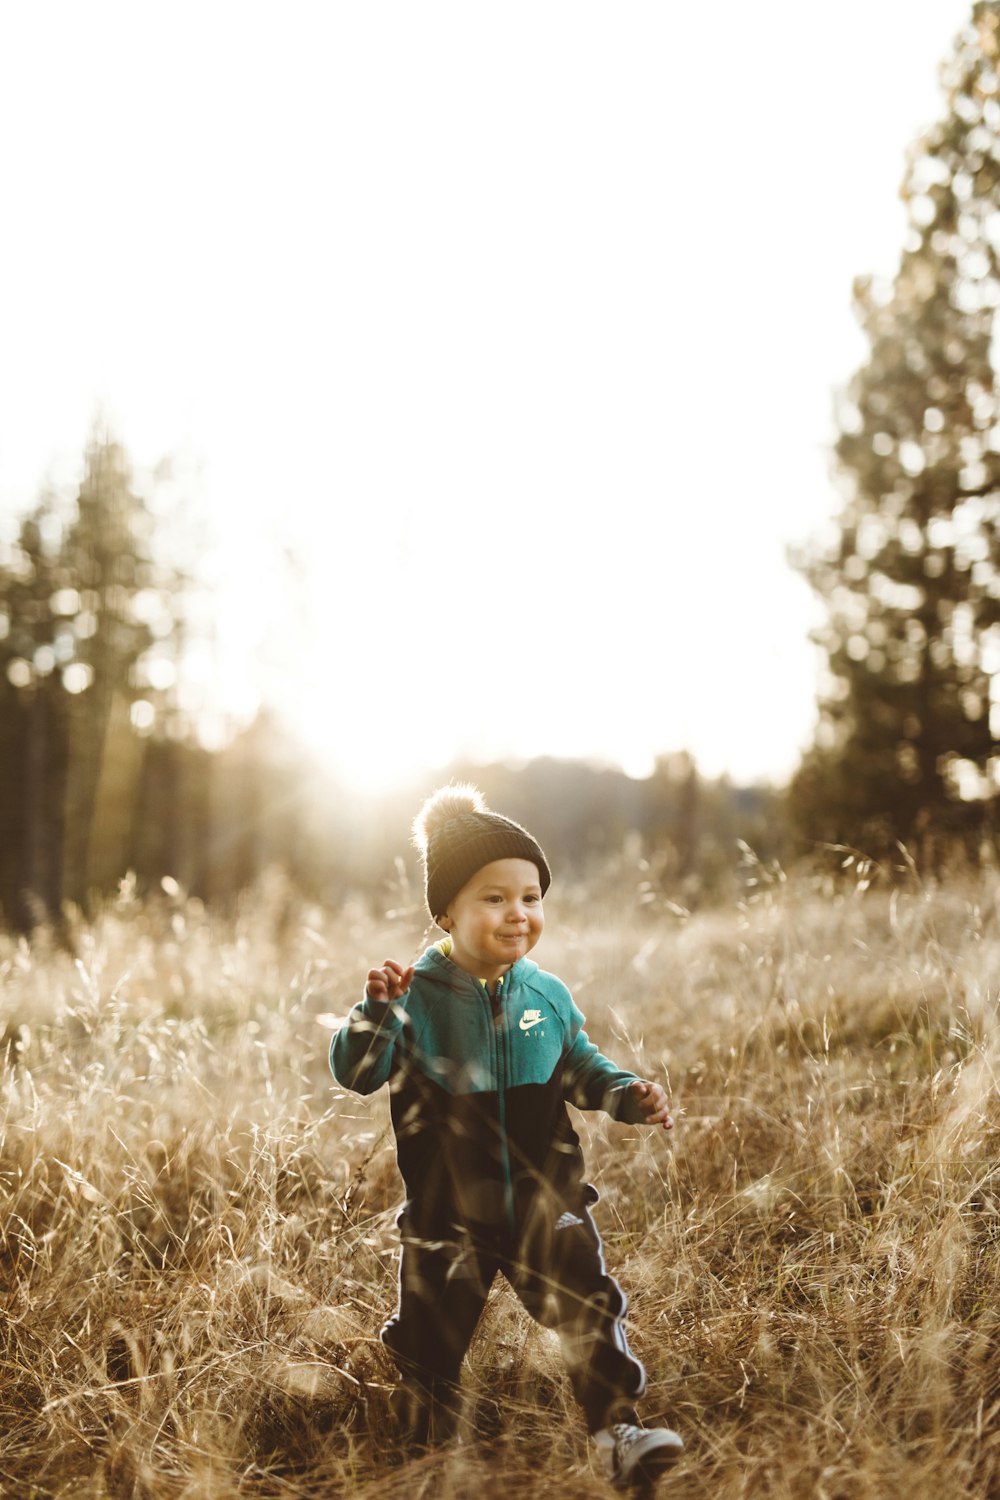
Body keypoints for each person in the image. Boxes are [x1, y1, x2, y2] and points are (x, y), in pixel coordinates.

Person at [329, 785, 684, 1491]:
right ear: (446, 912)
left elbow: (579, 1066)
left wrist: (627, 1096)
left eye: (530, 896)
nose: (517, 914)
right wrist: (377, 1012)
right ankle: (427, 1456)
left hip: (544, 1197)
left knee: (588, 1305)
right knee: (432, 1338)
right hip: (445, 1213)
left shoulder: (546, 995)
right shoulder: (413, 998)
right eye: (494, 898)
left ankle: (617, 1432)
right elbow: (357, 1073)